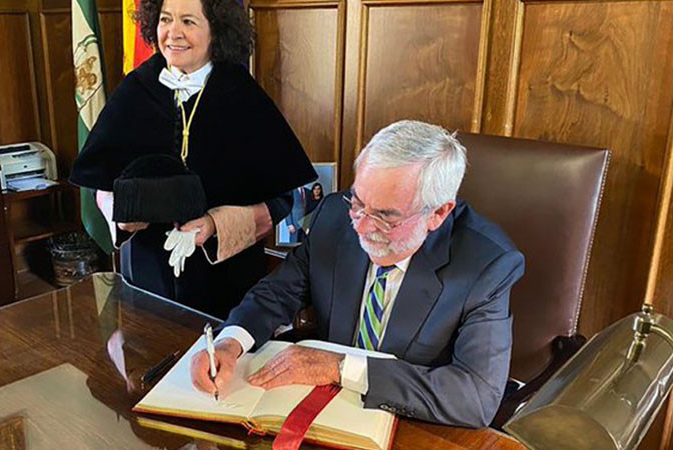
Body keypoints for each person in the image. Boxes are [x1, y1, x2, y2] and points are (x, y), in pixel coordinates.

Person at [190, 120, 525, 428]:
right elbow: (276, 294)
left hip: (407, 422)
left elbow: (475, 399)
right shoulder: (336, 216)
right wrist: (230, 343)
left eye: (385, 217)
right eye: (359, 202)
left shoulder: (487, 266)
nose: (361, 226)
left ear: (438, 213)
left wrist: (339, 367)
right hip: (315, 410)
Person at [69, 0, 316, 319]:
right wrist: (121, 216)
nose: (173, 33)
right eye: (165, 20)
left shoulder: (242, 94)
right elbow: (100, 180)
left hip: (226, 280)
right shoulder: (136, 89)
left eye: (188, 21)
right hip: (147, 277)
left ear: (216, 28)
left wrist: (215, 225)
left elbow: (280, 199)